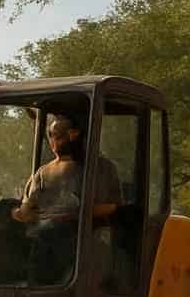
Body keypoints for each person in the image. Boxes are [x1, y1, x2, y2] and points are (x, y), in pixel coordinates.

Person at [12, 113, 122, 285]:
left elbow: (116, 209)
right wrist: (18, 213)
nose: (58, 139)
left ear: (76, 134)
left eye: (63, 134)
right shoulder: (42, 173)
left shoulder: (103, 169)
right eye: (54, 135)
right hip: (47, 246)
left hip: (87, 243)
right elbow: (28, 210)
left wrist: (80, 214)